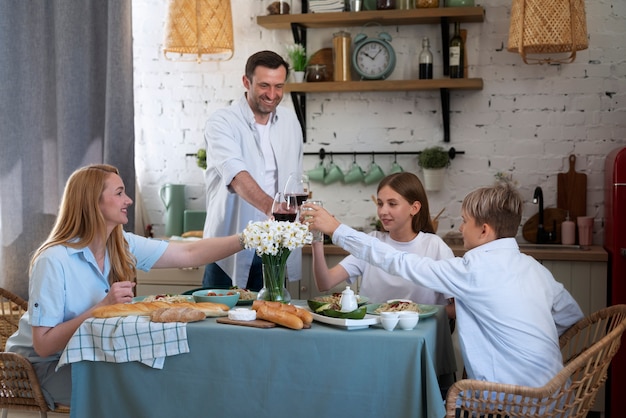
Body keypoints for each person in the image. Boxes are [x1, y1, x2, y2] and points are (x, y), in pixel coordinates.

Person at [5, 164, 244, 410]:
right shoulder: (53, 260)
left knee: (165, 378)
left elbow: (189, 252)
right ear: (93, 202)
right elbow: (43, 346)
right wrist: (102, 307)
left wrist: (247, 238)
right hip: (37, 371)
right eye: (119, 193)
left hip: (86, 357)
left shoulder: (120, 244)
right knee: (138, 390)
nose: (128, 200)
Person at [302, 181, 584, 388]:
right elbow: (572, 317)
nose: (461, 229)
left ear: (484, 230)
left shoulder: (472, 271)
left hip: (507, 399)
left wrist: (337, 229)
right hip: (558, 395)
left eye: (465, 222)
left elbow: (401, 262)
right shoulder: (534, 268)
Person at [202, 50, 304, 291]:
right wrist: (273, 207)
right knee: (219, 322)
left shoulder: (290, 122)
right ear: (246, 82)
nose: (272, 94)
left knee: (271, 322)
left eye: (279, 86)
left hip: (277, 246)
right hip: (228, 249)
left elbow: (295, 179)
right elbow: (236, 175)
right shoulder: (222, 122)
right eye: (264, 85)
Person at [311, 173, 455, 313]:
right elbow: (325, 283)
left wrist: (420, 313)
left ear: (414, 208)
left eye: (392, 204)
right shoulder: (371, 242)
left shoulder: (434, 246)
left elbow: (456, 308)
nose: (383, 211)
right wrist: (317, 239)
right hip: (374, 331)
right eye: (380, 204)